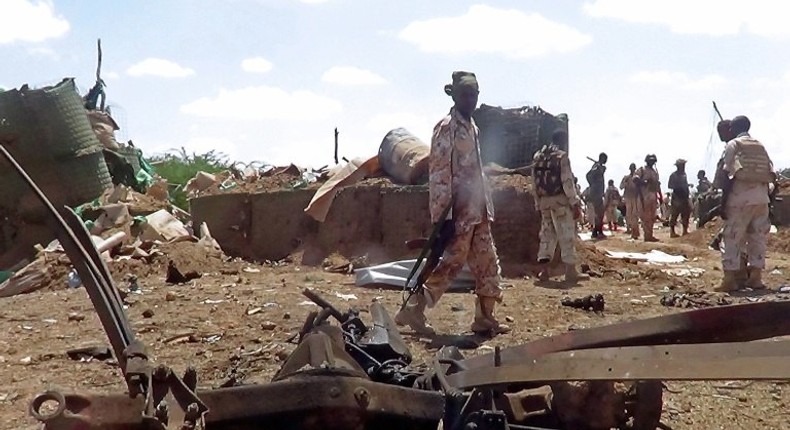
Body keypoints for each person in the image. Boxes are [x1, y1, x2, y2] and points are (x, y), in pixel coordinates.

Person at [395, 71, 510, 336]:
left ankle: (485, 317)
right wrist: (443, 219)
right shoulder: (446, 127)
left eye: (474, 95)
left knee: (488, 262)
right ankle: (414, 308)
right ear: (455, 96)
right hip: (457, 212)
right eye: (465, 95)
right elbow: (439, 175)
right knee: (451, 262)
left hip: (478, 209)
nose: (470, 100)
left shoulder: (473, 127)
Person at [715, 115, 775, 292]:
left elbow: (728, 175)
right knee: (757, 237)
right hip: (761, 198)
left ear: (733, 128)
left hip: (739, 199)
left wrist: (723, 203)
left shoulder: (733, 145)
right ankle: (755, 277)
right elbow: (772, 174)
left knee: (732, 237)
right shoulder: (760, 145)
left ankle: (730, 280)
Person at [533, 130, 590, 283]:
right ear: (564, 141)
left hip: (545, 201)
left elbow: (534, 182)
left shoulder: (538, 156)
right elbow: (567, 182)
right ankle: (570, 272)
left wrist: (538, 203)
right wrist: (574, 202)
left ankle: (544, 272)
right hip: (560, 201)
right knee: (566, 235)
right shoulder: (561, 157)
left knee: (546, 235)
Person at [635, 154, 662, 242]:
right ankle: (647, 235)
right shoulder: (642, 170)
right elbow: (635, 179)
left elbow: (657, 185)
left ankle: (650, 235)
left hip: (653, 196)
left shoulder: (655, 172)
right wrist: (644, 182)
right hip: (644, 196)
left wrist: (660, 196)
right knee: (645, 216)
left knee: (652, 216)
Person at [667, 159, 692, 237]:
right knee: (674, 214)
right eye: (682, 165)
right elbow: (670, 186)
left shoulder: (684, 174)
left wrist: (687, 186)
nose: (683, 167)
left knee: (686, 214)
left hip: (684, 197)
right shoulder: (674, 175)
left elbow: (685, 184)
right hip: (677, 198)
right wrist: (679, 186)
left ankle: (685, 230)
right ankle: (672, 231)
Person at [585, 153, 608, 238]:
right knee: (599, 213)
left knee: (599, 213)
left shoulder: (599, 167)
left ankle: (596, 231)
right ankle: (598, 232)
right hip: (596, 193)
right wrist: (593, 185)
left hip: (598, 192)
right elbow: (588, 175)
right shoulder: (596, 167)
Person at [620, 162, 642, 239]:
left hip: (635, 197)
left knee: (635, 215)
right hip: (628, 197)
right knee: (629, 215)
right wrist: (625, 183)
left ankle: (635, 232)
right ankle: (630, 229)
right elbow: (621, 186)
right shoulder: (626, 177)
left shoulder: (637, 178)